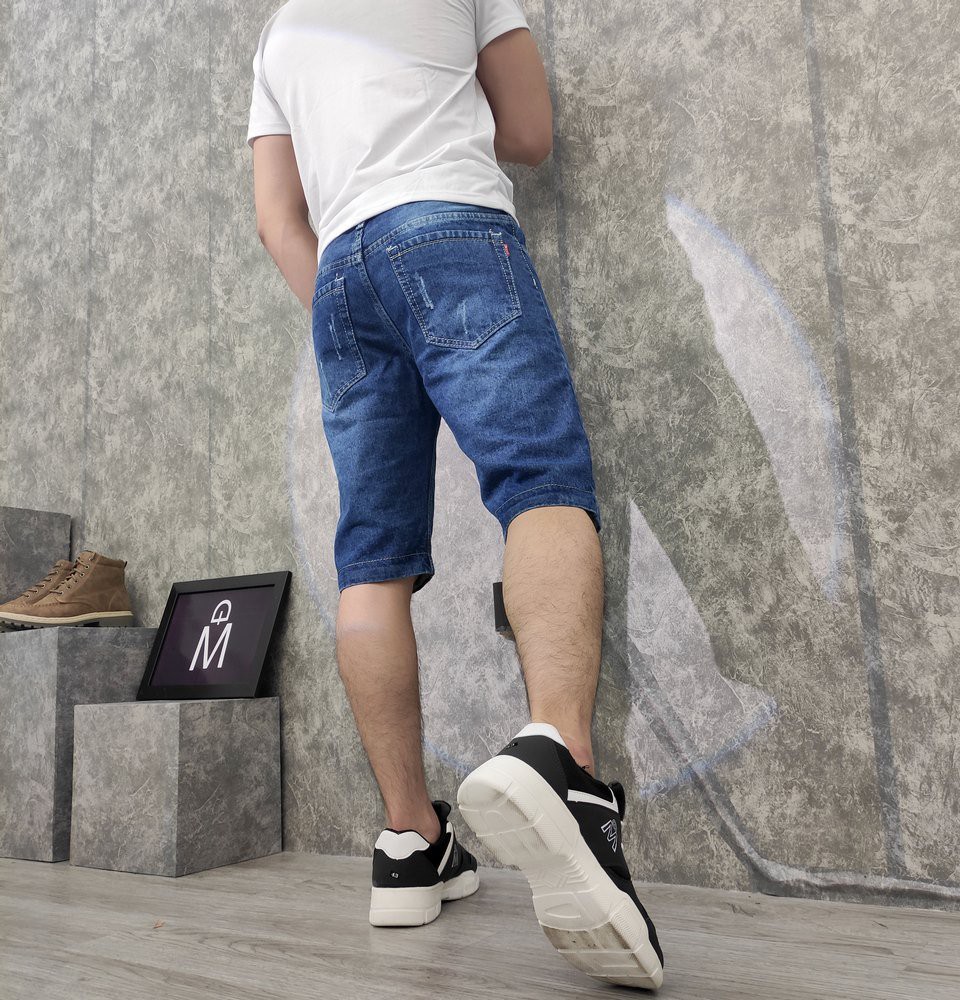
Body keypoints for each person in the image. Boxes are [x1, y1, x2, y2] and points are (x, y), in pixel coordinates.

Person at [247, 0, 663, 988]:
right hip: (449, 226)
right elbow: (529, 131)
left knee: (372, 559)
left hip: (341, 277)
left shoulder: (279, 32)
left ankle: (409, 842)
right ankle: (563, 764)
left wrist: (352, 314)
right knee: (539, 482)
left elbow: (277, 221)